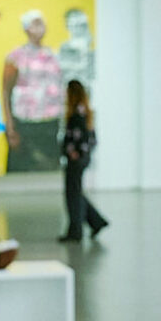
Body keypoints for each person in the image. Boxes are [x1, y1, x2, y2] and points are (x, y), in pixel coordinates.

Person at [3, 9, 64, 172]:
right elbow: (6, 92)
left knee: (49, 169)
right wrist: (10, 126)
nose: (40, 27)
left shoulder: (52, 55)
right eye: (35, 23)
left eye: (41, 23)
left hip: (49, 122)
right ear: (26, 28)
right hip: (25, 123)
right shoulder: (16, 56)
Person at [58, 79, 109, 242]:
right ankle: (96, 222)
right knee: (76, 193)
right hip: (81, 159)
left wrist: (76, 153)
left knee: (73, 195)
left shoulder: (77, 114)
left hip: (76, 160)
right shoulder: (84, 111)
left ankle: (76, 231)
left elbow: (83, 138)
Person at [56, 7, 95, 86]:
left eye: (81, 25)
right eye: (74, 24)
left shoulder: (91, 49)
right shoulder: (64, 47)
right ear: (68, 25)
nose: (78, 28)